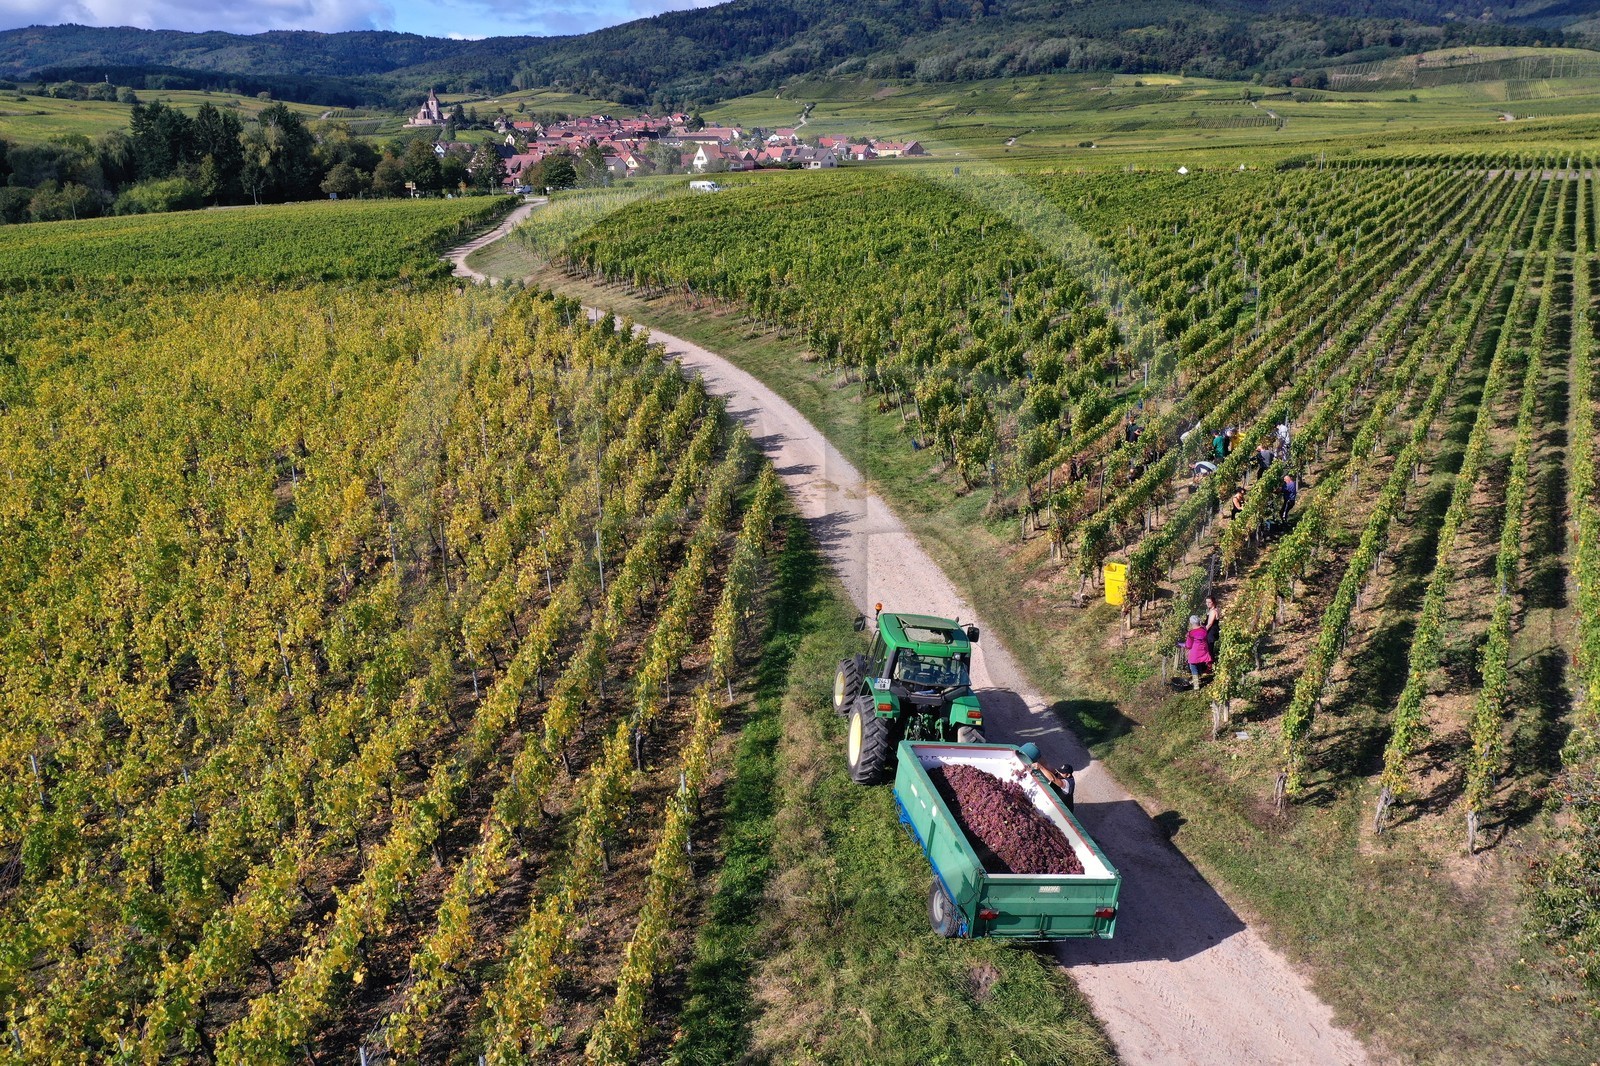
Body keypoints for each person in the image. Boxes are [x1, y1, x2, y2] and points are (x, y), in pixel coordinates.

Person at [1181, 614, 1212, 689]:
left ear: (1191, 623)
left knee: (1193, 666)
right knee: (1199, 664)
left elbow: (1188, 645)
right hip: (1203, 651)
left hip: (1195, 653)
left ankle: (1196, 685)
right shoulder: (1204, 630)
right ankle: (1199, 678)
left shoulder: (1191, 633)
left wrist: (1180, 644)